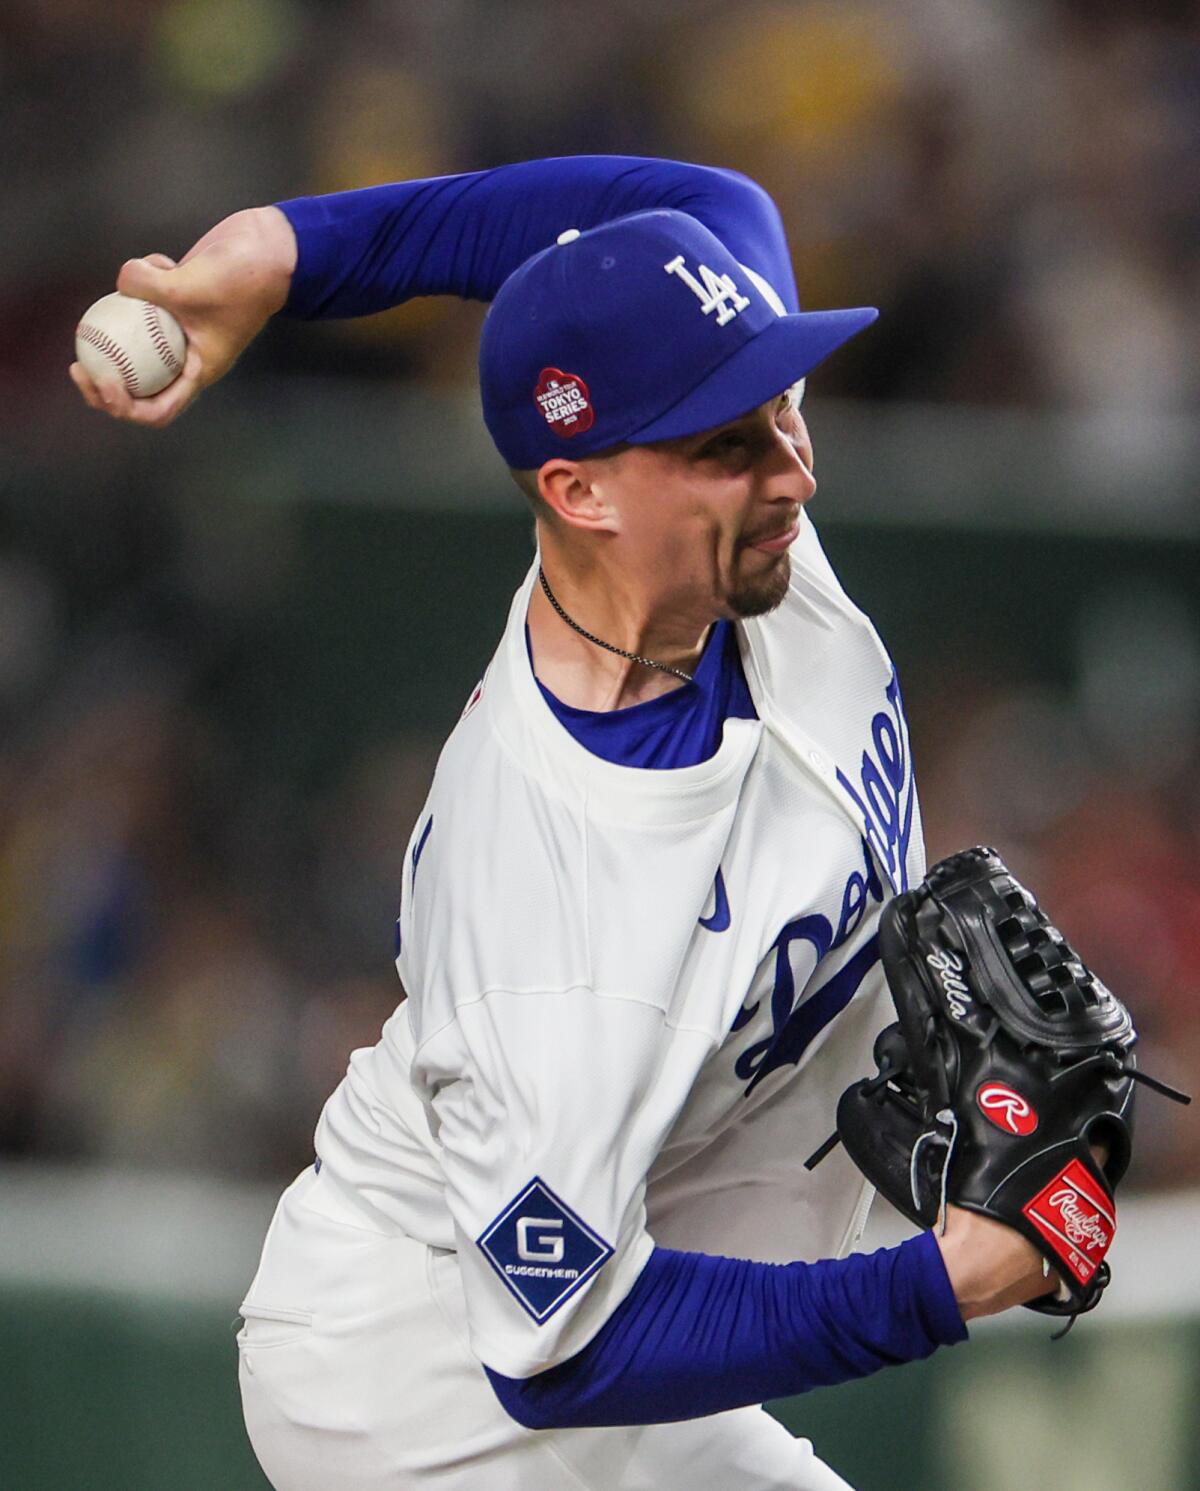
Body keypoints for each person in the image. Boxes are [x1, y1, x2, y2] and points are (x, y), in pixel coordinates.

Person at [72, 158, 1053, 1491]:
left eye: (781, 405)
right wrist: (938, 1287)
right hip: (417, 1390)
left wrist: (291, 252)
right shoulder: (552, 896)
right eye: (729, 442)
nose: (792, 470)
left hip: (599, 1278)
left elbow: (705, 205)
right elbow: (562, 1354)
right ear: (582, 490)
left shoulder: (713, 501)